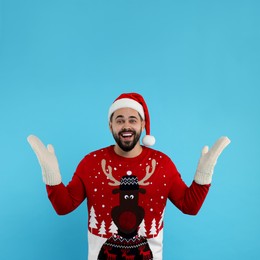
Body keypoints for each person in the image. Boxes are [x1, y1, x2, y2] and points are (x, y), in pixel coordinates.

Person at [27, 92, 230, 260]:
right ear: (111, 126)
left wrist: (203, 175)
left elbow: (190, 206)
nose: (126, 126)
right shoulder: (90, 163)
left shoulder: (162, 164)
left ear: (142, 125)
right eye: (120, 120)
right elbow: (64, 207)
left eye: (133, 120)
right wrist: (51, 175)